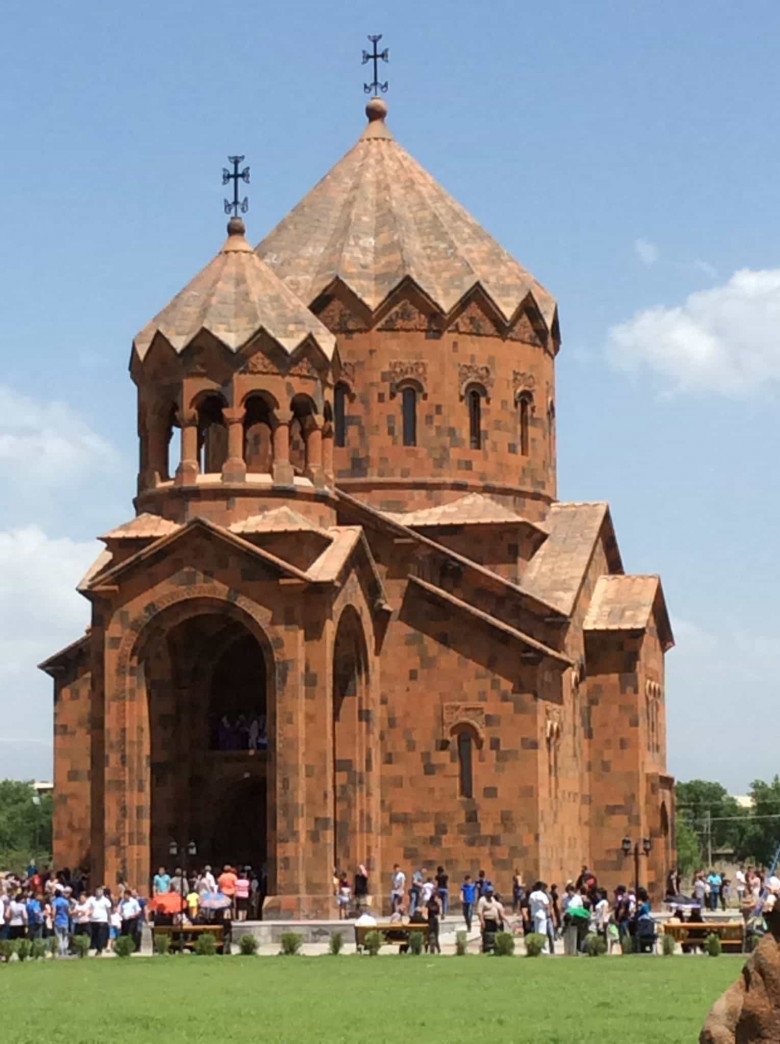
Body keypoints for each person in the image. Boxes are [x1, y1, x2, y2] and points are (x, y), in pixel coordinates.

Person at [477, 885, 504, 953]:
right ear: (486, 892)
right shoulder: (482, 900)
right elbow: (480, 912)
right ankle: (486, 950)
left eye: (491, 892)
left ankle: (494, 949)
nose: (491, 893)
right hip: (487, 920)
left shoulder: (492, 899)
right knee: (487, 936)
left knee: (494, 935)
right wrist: (482, 921)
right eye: (489, 892)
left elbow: (496, 907)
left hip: (494, 921)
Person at [88, 886, 112, 955]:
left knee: (101, 935)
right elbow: (89, 908)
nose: (98, 892)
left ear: (102, 892)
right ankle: (96, 947)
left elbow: (108, 911)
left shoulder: (106, 900)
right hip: (93, 920)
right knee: (95, 935)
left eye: (100, 891)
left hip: (102, 920)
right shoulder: (92, 900)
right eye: (97, 891)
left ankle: (99, 949)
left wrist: (109, 920)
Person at [528, 881, 551, 953]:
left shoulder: (532, 894)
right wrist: (548, 912)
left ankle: (537, 946)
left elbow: (530, 904)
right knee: (542, 931)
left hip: (534, 914)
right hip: (542, 914)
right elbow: (546, 905)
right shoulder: (542, 895)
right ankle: (542, 947)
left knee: (537, 931)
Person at [52, 889, 71, 957]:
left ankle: (61, 951)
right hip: (65, 921)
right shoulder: (66, 901)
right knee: (65, 936)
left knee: (59, 936)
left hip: (58, 921)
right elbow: (69, 912)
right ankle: (65, 950)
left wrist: (52, 918)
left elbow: (54, 911)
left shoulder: (55, 901)